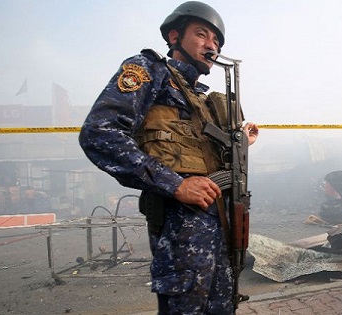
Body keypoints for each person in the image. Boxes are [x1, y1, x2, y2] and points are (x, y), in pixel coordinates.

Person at [78, 2, 259, 314]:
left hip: (221, 225)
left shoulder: (201, 99)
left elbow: (199, 154)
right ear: (175, 36)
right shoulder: (150, 71)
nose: (211, 45)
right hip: (182, 225)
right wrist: (176, 184)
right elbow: (100, 132)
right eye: (202, 35)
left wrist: (241, 141)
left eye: (216, 41)